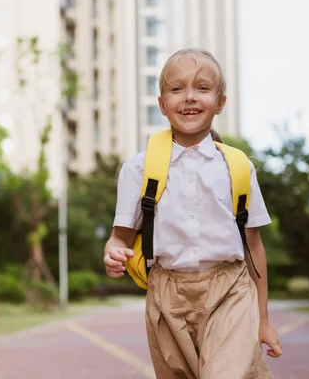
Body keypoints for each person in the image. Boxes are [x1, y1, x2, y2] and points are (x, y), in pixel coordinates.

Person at [103, 48, 282, 379]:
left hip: (230, 289)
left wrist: (264, 320)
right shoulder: (138, 169)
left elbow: (253, 248)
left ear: (221, 102)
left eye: (202, 88)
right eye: (176, 89)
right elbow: (120, 236)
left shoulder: (238, 167)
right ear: (161, 103)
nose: (189, 98)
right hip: (166, 296)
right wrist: (114, 252)